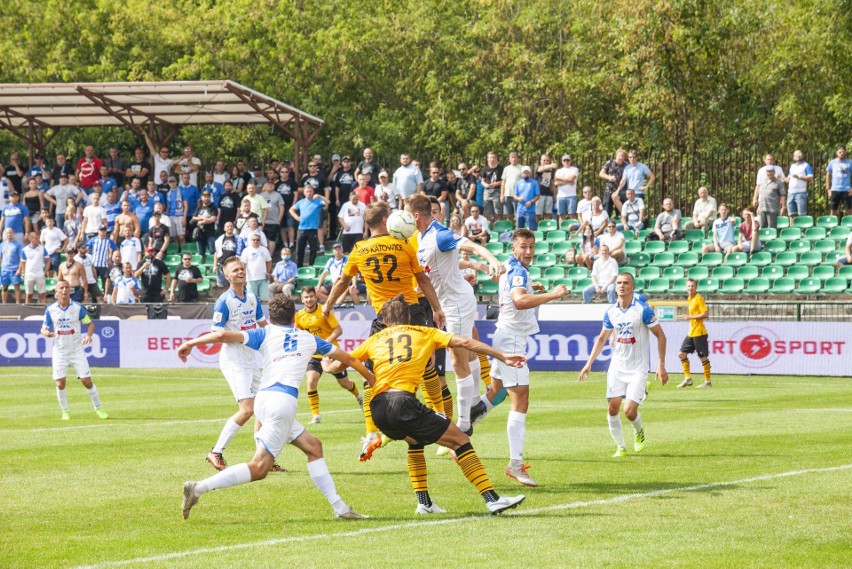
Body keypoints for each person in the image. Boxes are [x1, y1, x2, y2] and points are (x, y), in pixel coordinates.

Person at [177, 295, 369, 521]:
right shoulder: (309, 339)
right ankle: (197, 488)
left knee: (314, 447)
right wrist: (374, 380)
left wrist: (190, 343)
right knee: (259, 469)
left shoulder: (264, 333)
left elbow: (220, 334)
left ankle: (341, 509)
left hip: (264, 400)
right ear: (294, 317)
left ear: (270, 317)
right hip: (282, 403)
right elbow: (352, 360)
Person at [338, 294, 526, 515]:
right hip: (403, 402)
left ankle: (424, 503)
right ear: (408, 317)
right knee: (461, 440)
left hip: (378, 408)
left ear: (385, 322)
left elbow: (345, 359)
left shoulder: (375, 339)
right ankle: (492, 499)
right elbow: (466, 342)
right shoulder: (425, 333)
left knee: (415, 442)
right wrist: (502, 356)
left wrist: (341, 370)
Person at [322, 201, 446, 460]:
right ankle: (440, 416)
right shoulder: (403, 244)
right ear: (384, 220)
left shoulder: (358, 249)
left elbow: (343, 281)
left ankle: (370, 432)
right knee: (427, 367)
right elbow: (422, 279)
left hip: (383, 317)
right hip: (411, 311)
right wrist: (436, 308)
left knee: (372, 375)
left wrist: (327, 306)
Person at [469, 229, 568, 487]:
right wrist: (553, 295)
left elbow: (516, 292)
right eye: (523, 246)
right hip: (512, 340)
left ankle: (461, 427)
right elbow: (520, 301)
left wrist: (532, 288)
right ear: (514, 248)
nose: (528, 251)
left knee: (496, 393)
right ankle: (515, 465)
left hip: (507, 335)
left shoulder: (510, 267)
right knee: (520, 399)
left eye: (531, 247)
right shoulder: (516, 270)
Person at [407, 193, 504, 436]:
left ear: (416, 215)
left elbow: (469, 246)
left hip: (456, 303)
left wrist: (491, 259)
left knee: (456, 357)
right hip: (449, 302)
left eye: (409, 214)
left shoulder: (440, 234)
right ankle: (473, 402)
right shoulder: (420, 237)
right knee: (467, 352)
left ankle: (463, 424)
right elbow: (437, 267)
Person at [579, 272, 669, 456]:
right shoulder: (611, 311)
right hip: (617, 367)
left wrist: (661, 364)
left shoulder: (643, 310)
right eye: (619, 283)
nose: (621, 286)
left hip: (638, 368)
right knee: (612, 408)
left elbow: (661, 336)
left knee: (628, 411)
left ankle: (639, 431)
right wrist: (588, 363)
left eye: (626, 283)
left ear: (632, 287)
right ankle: (621, 447)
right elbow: (602, 337)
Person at [202, 256, 270, 472]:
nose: (240, 271)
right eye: (235, 270)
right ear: (227, 276)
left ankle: (263, 460)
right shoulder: (224, 301)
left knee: (266, 408)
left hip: (251, 358)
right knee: (247, 410)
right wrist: (242, 336)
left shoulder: (252, 297)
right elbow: (217, 333)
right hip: (234, 360)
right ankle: (215, 452)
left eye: (242, 268)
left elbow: (263, 325)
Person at [41, 280, 109, 420]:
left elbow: (90, 324)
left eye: (67, 287)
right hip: (59, 351)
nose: (65, 290)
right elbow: (44, 328)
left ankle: (99, 408)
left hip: (76, 350)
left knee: (86, 381)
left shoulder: (77, 308)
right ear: (56, 293)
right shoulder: (50, 310)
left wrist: (89, 336)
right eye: (61, 288)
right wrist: (45, 333)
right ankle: (65, 411)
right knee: (60, 383)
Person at [295, 286, 363, 424]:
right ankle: (316, 416)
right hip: (314, 355)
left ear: (316, 297)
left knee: (345, 383)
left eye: (311, 296)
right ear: (302, 299)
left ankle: (358, 396)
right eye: (306, 297)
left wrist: (325, 343)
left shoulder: (324, 311)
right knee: (311, 380)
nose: (309, 299)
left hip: (332, 352)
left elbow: (338, 330)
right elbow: (299, 334)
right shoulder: (299, 316)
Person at [677, 278, 711, 388]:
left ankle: (707, 381)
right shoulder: (690, 298)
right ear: (686, 287)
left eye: (692, 286)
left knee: (703, 357)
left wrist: (690, 317)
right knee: (681, 354)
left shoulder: (699, 298)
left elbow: (705, 314)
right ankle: (688, 378)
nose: (690, 288)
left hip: (699, 333)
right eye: (688, 286)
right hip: (692, 332)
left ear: (696, 287)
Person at [289, 185, 327, 267]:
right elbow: (291, 209)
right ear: (304, 193)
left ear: (313, 192)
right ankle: (299, 267)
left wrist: (320, 196)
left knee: (313, 249)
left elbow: (328, 202)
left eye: (310, 191)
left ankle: (311, 267)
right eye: (307, 191)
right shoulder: (301, 202)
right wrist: (296, 217)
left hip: (313, 229)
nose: (309, 193)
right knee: (299, 250)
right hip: (302, 229)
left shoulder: (317, 201)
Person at [240, 233, 272, 302]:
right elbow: (243, 265)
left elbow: (269, 261)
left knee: (265, 299)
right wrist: (244, 277)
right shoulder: (246, 250)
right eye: (254, 240)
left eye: (257, 240)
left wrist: (268, 272)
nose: (255, 241)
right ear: (251, 240)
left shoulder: (264, 250)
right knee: (251, 300)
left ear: (260, 241)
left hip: (263, 279)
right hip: (251, 279)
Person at [213, 221, 243, 290]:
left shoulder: (239, 240)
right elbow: (216, 253)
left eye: (231, 226)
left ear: (233, 228)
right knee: (224, 286)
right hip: (222, 265)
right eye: (228, 226)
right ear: (224, 228)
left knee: (235, 284)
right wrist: (215, 265)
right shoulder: (219, 240)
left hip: (234, 266)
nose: (230, 228)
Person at [20, 231, 49, 304]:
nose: (37, 239)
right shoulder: (25, 250)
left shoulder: (42, 248)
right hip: (29, 274)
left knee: (42, 294)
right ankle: (27, 311)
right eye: (35, 238)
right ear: (30, 239)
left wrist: (45, 272)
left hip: (40, 274)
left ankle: (43, 311)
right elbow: (23, 262)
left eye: (37, 238)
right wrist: (23, 272)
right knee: (28, 295)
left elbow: (48, 261)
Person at [599, 148, 627, 216]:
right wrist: (609, 177)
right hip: (609, 190)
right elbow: (601, 174)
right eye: (619, 155)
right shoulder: (610, 162)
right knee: (606, 211)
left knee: (620, 212)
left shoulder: (626, 165)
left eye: (623, 156)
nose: (621, 157)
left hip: (621, 192)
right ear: (616, 156)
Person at [785, 150, 813, 218]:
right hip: (791, 192)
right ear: (793, 157)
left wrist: (799, 176)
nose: (798, 156)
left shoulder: (806, 165)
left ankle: (801, 228)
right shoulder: (792, 166)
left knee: (801, 214)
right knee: (791, 213)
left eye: (799, 155)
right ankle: (792, 228)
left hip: (801, 192)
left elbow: (810, 177)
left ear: (802, 156)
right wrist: (781, 178)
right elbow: (789, 179)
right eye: (796, 155)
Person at [826, 145, 852, 217]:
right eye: (840, 152)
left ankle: (849, 226)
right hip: (835, 189)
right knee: (833, 210)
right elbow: (828, 175)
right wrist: (828, 189)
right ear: (837, 153)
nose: (842, 153)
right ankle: (832, 226)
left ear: (845, 152)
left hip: (847, 190)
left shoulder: (850, 162)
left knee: (849, 210)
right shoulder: (832, 162)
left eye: (843, 152)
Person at [554, 155, 579, 227]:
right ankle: (562, 231)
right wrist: (568, 181)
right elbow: (555, 182)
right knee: (561, 215)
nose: (566, 162)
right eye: (564, 160)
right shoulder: (559, 171)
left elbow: (572, 179)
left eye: (568, 160)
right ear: (562, 162)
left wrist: (561, 180)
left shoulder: (574, 169)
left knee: (572, 214)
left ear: (570, 161)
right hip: (560, 196)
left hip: (571, 195)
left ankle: (573, 231)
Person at [513, 166, 540, 230]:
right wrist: (518, 198)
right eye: (524, 173)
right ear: (521, 174)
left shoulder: (534, 183)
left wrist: (531, 202)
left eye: (527, 173)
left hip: (530, 211)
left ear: (530, 173)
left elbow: (538, 196)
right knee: (519, 230)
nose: (525, 174)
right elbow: (514, 196)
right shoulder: (518, 183)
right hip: (520, 210)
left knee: (532, 230)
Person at [1, 228, 24, 303]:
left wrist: (19, 269)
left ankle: (18, 303)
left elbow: (21, 258)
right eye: (7, 233)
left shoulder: (18, 244)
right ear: (5, 234)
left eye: (10, 233)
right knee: (4, 287)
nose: (9, 234)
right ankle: (4, 304)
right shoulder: (2, 244)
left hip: (14, 269)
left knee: (17, 287)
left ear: (13, 234)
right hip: (4, 269)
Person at [481, 151, 503, 222]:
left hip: (497, 191)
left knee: (498, 212)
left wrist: (495, 184)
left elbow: (504, 181)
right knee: (488, 213)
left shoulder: (501, 168)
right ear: (488, 159)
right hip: (487, 192)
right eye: (490, 157)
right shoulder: (485, 169)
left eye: (494, 157)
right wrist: (485, 184)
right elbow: (482, 180)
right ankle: (490, 229)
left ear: (496, 158)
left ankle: (498, 228)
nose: (492, 159)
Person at [534, 154, 556, 222]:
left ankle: (547, 230)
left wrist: (554, 194)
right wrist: (551, 165)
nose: (546, 162)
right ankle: (535, 230)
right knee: (537, 214)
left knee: (548, 214)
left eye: (547, 160)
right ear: (541, 161)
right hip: (539, 194)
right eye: (544, 160)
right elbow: (540, 169)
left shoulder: (551, 170)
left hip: (549, 194)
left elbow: (552, 182)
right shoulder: (538, 167)